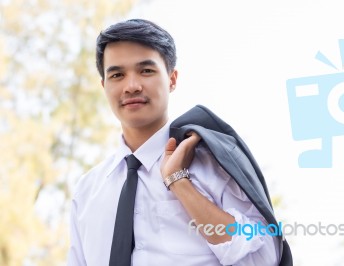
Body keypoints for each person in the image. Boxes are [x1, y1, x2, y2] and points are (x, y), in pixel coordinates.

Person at [67, 18, 281, 266]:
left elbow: (265, 257)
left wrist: (179, 181)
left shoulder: (215, 163)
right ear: (104, 86)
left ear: (172, 79)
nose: (132, 86)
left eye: (146, 71)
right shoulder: (87, 191)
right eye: (117, 75)